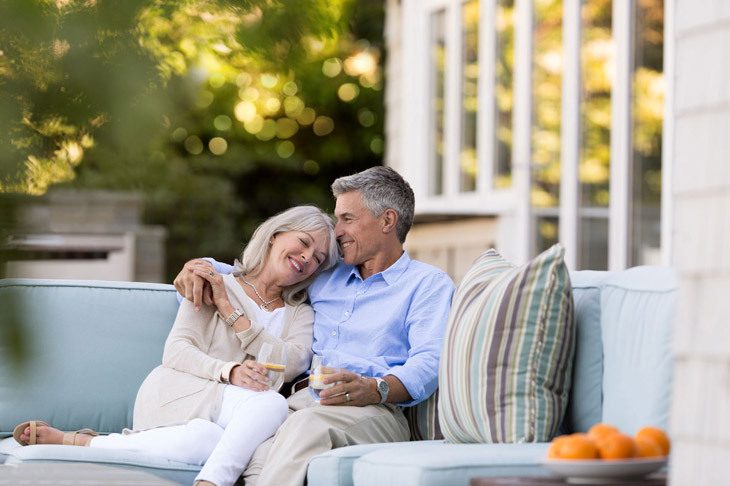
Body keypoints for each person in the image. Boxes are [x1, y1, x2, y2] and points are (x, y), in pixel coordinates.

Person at [13, 205, 340, 486]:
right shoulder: (212, 282)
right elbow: (177, 351)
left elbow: (291, 362)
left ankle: (82, 442)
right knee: (272, 404)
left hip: (233, 418)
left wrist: (231, 312)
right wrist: (230, 371)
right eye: (303, 242)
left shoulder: (300, 313)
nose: (306, 258)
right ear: (275, 236)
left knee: (209, 439)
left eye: (318, 258)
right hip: (182, 391)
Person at [175, 166, 455, 486]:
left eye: (347, 218)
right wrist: (203, 268)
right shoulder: (327, 277)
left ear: (387, 221)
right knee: (257, 451)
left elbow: (430, 360)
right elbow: (261, 276)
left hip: (374, 410)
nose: (337, 231)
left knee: (305, 427)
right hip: (299, 403)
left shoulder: (427, 284)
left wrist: (376, 388)